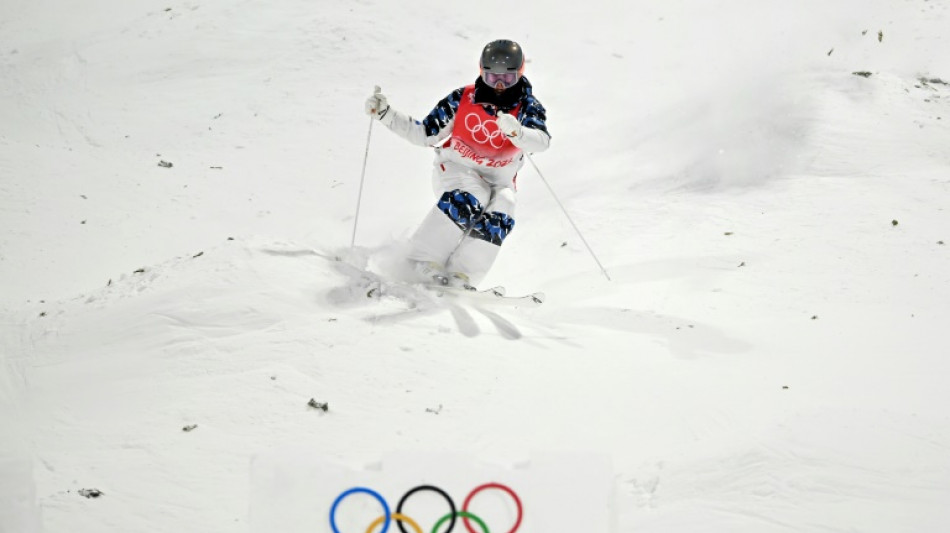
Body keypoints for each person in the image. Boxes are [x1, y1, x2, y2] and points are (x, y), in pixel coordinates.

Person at [364, 39, 551, 288]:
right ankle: (421, 260)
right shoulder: (463, 99)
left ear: (520, 75)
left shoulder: (528, 107)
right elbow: (424, 133)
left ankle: (462, 275)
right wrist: (387, 115)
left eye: (507, 79)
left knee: (504, 206)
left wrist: (518, 133)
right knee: (474, 194)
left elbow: (541, 142)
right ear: (480, 71)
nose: (498, 85)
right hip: (456, 170)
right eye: (491, 76)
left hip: (499, 182)